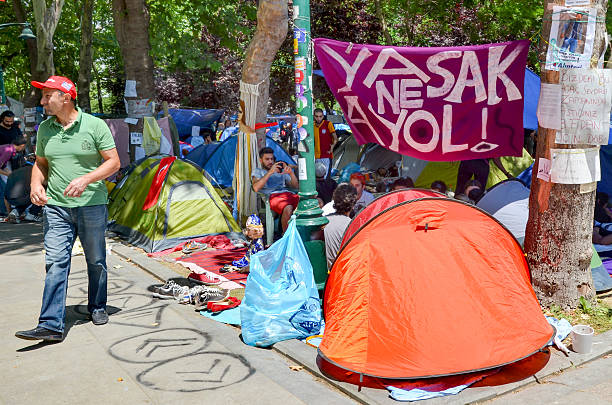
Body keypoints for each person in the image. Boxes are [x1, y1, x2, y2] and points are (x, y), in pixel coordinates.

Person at [15, 76, 121, 343]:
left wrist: (86, 179)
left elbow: (114, 163)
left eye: (47, 95)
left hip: (92, 205)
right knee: (55, 262)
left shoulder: (95, 125)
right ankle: (51, 324)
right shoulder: (45, 129)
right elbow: (40, 163)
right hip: (56, 207)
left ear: (66, 97)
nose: (42, 101)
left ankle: (97, 305)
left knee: (96, 261)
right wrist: (35, 186)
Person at [252, 146, 299, 233]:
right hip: (272, 196)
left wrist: (291, 173)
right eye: (267, 159)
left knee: (314, 202)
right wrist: (270, 172)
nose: (270, 161)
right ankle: (286, 236)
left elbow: (295, 186)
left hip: (287, 194)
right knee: (288, 207)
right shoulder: (258, 171)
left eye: (272, 159)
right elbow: (256, 188)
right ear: (261, 160)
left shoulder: (280, 171)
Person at [324, 183, 358, 269]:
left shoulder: (324, 221)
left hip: (328, 271)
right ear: (353, 204)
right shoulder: (352, 226)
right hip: (344, 272)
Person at [0, 137, 27, 216]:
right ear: (22, 146)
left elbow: (3, 165)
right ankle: (4, 211)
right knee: (4, 190)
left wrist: (10, 173)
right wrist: (7, 174)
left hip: (3, 168)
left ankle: (7, 211)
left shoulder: (10, 148)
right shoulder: (8, 151)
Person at [313, 108, 337, 177]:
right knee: (317, 178)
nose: (318, 118)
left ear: (323, 116)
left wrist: (332, 147)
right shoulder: (311, 126)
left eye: (320, 116)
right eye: (316, 116)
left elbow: (335, 139)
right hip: (316, 157)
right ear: (314, 116)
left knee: (325, 178)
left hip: (326, 156)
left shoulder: (328, 124)